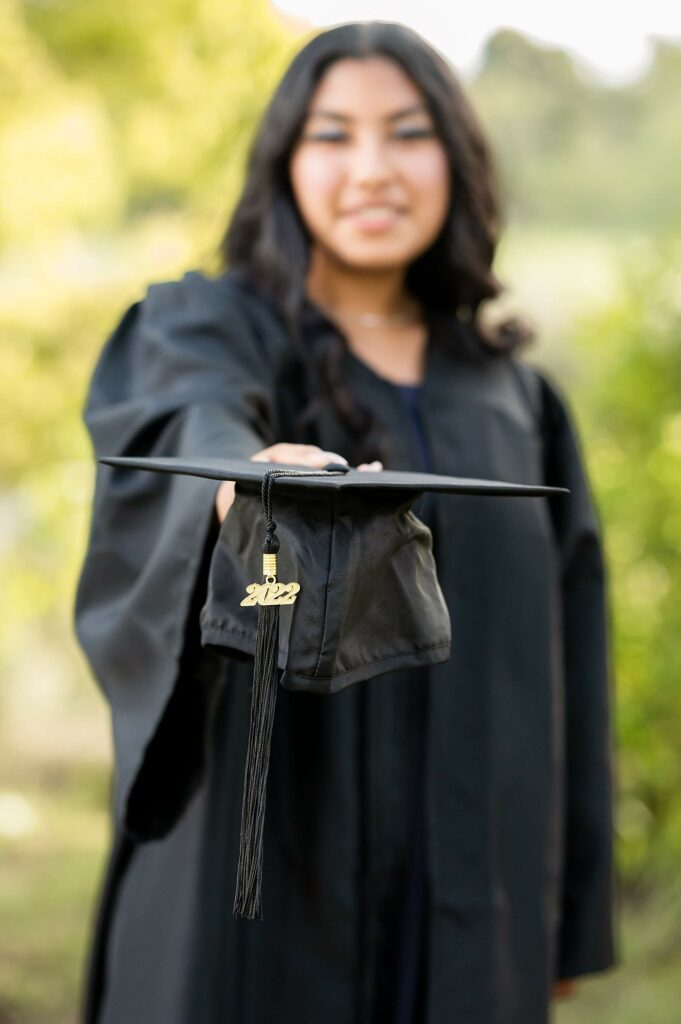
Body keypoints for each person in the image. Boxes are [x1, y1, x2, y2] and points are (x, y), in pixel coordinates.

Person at [75, 21, 617, 1024]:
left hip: (471, 890)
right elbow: (189, 414)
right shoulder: (210, 329)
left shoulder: (517, 402)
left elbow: (569, 661)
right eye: (332, 136)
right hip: (259, 893)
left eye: (407, 133)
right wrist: (245, 474)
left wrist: (571, 910)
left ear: (456, 159)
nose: (371, 169)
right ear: (284, 161)